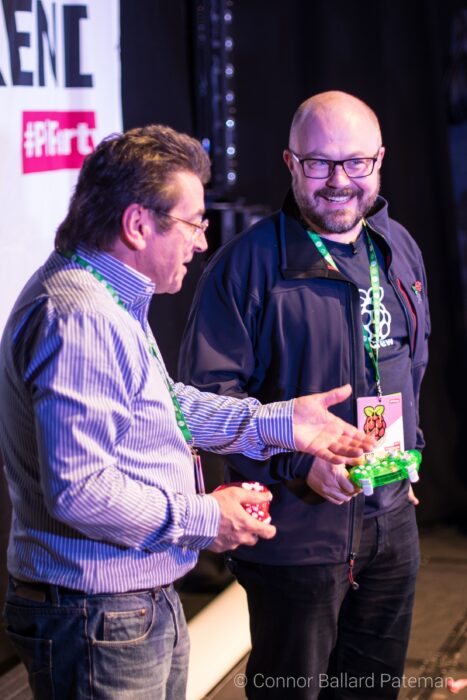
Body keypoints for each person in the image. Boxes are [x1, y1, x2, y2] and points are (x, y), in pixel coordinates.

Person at [0, 124, 375, 700]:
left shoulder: (107, 295)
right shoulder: (81, 318)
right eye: (193, 223)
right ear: (137, 224)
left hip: (125, 608)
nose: (202, 242)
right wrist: (207, 518)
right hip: (99, 616)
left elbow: (165, 406)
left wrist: (283, 424)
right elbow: (80, 490)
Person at [180, 92, 430, 699]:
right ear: (290, 164)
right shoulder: (245, 267)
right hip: (296, 538)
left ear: (380, 161)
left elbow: (411, 361)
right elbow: (204, 403)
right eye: (319, 164)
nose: (339, 182)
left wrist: (409, 452)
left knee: (371, 690)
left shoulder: (397, 248)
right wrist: (301, 466)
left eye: (356, 163)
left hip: (391, 523)